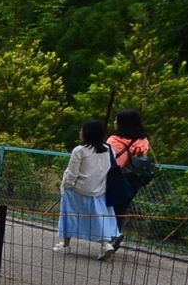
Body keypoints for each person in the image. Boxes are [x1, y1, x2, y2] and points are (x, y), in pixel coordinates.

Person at [56, 119, 119, 259]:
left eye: (82, 130)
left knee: (69, 215)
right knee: (98, 217)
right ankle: (105, 244)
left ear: (87, 133)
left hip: (77, 189)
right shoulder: (109, 150)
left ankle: (66, 245)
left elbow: (72, 173)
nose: (80, 132)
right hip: (98, 190)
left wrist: (67, 186)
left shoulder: (80, 150)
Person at [105, 108, 153, 241]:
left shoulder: (114, 140)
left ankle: (111, 237)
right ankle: (115, 234)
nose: (114, 122)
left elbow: (111, 161)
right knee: (122, 209)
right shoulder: (143, 140)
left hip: (117, 178)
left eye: (117, 120)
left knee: (109, 207)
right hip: (134, 179)